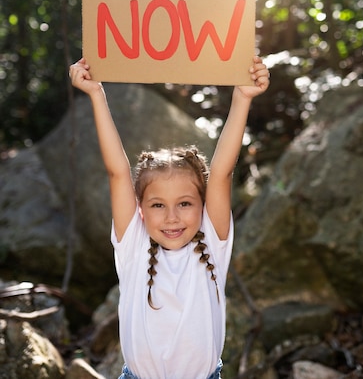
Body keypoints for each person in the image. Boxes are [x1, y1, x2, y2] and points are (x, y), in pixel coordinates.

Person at [69, 55, 270, 379]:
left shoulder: (212, 244)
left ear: (203, 206)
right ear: (140, 209)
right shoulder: (132, 245)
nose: (172, 217)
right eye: (158, 205)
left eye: (185, 204)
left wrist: (242, 97)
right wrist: (96, 94)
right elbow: (118, 172)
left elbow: (221, 172)